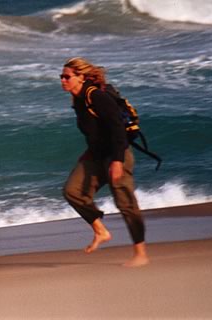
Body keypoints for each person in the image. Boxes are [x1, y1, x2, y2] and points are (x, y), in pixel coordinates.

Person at [60, 57, 149, 267]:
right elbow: (94, 131)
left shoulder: (96, 96)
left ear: (81, 77)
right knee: (72, 191)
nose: (62, 80)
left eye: (67, 76)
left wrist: (117, 161)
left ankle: (140, 253)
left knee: (126, 203)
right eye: (61, 76)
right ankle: (101, 231)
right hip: (96, 155)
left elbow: (117, 128)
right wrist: (89, 153)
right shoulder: (78, 99)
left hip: (117, 154)